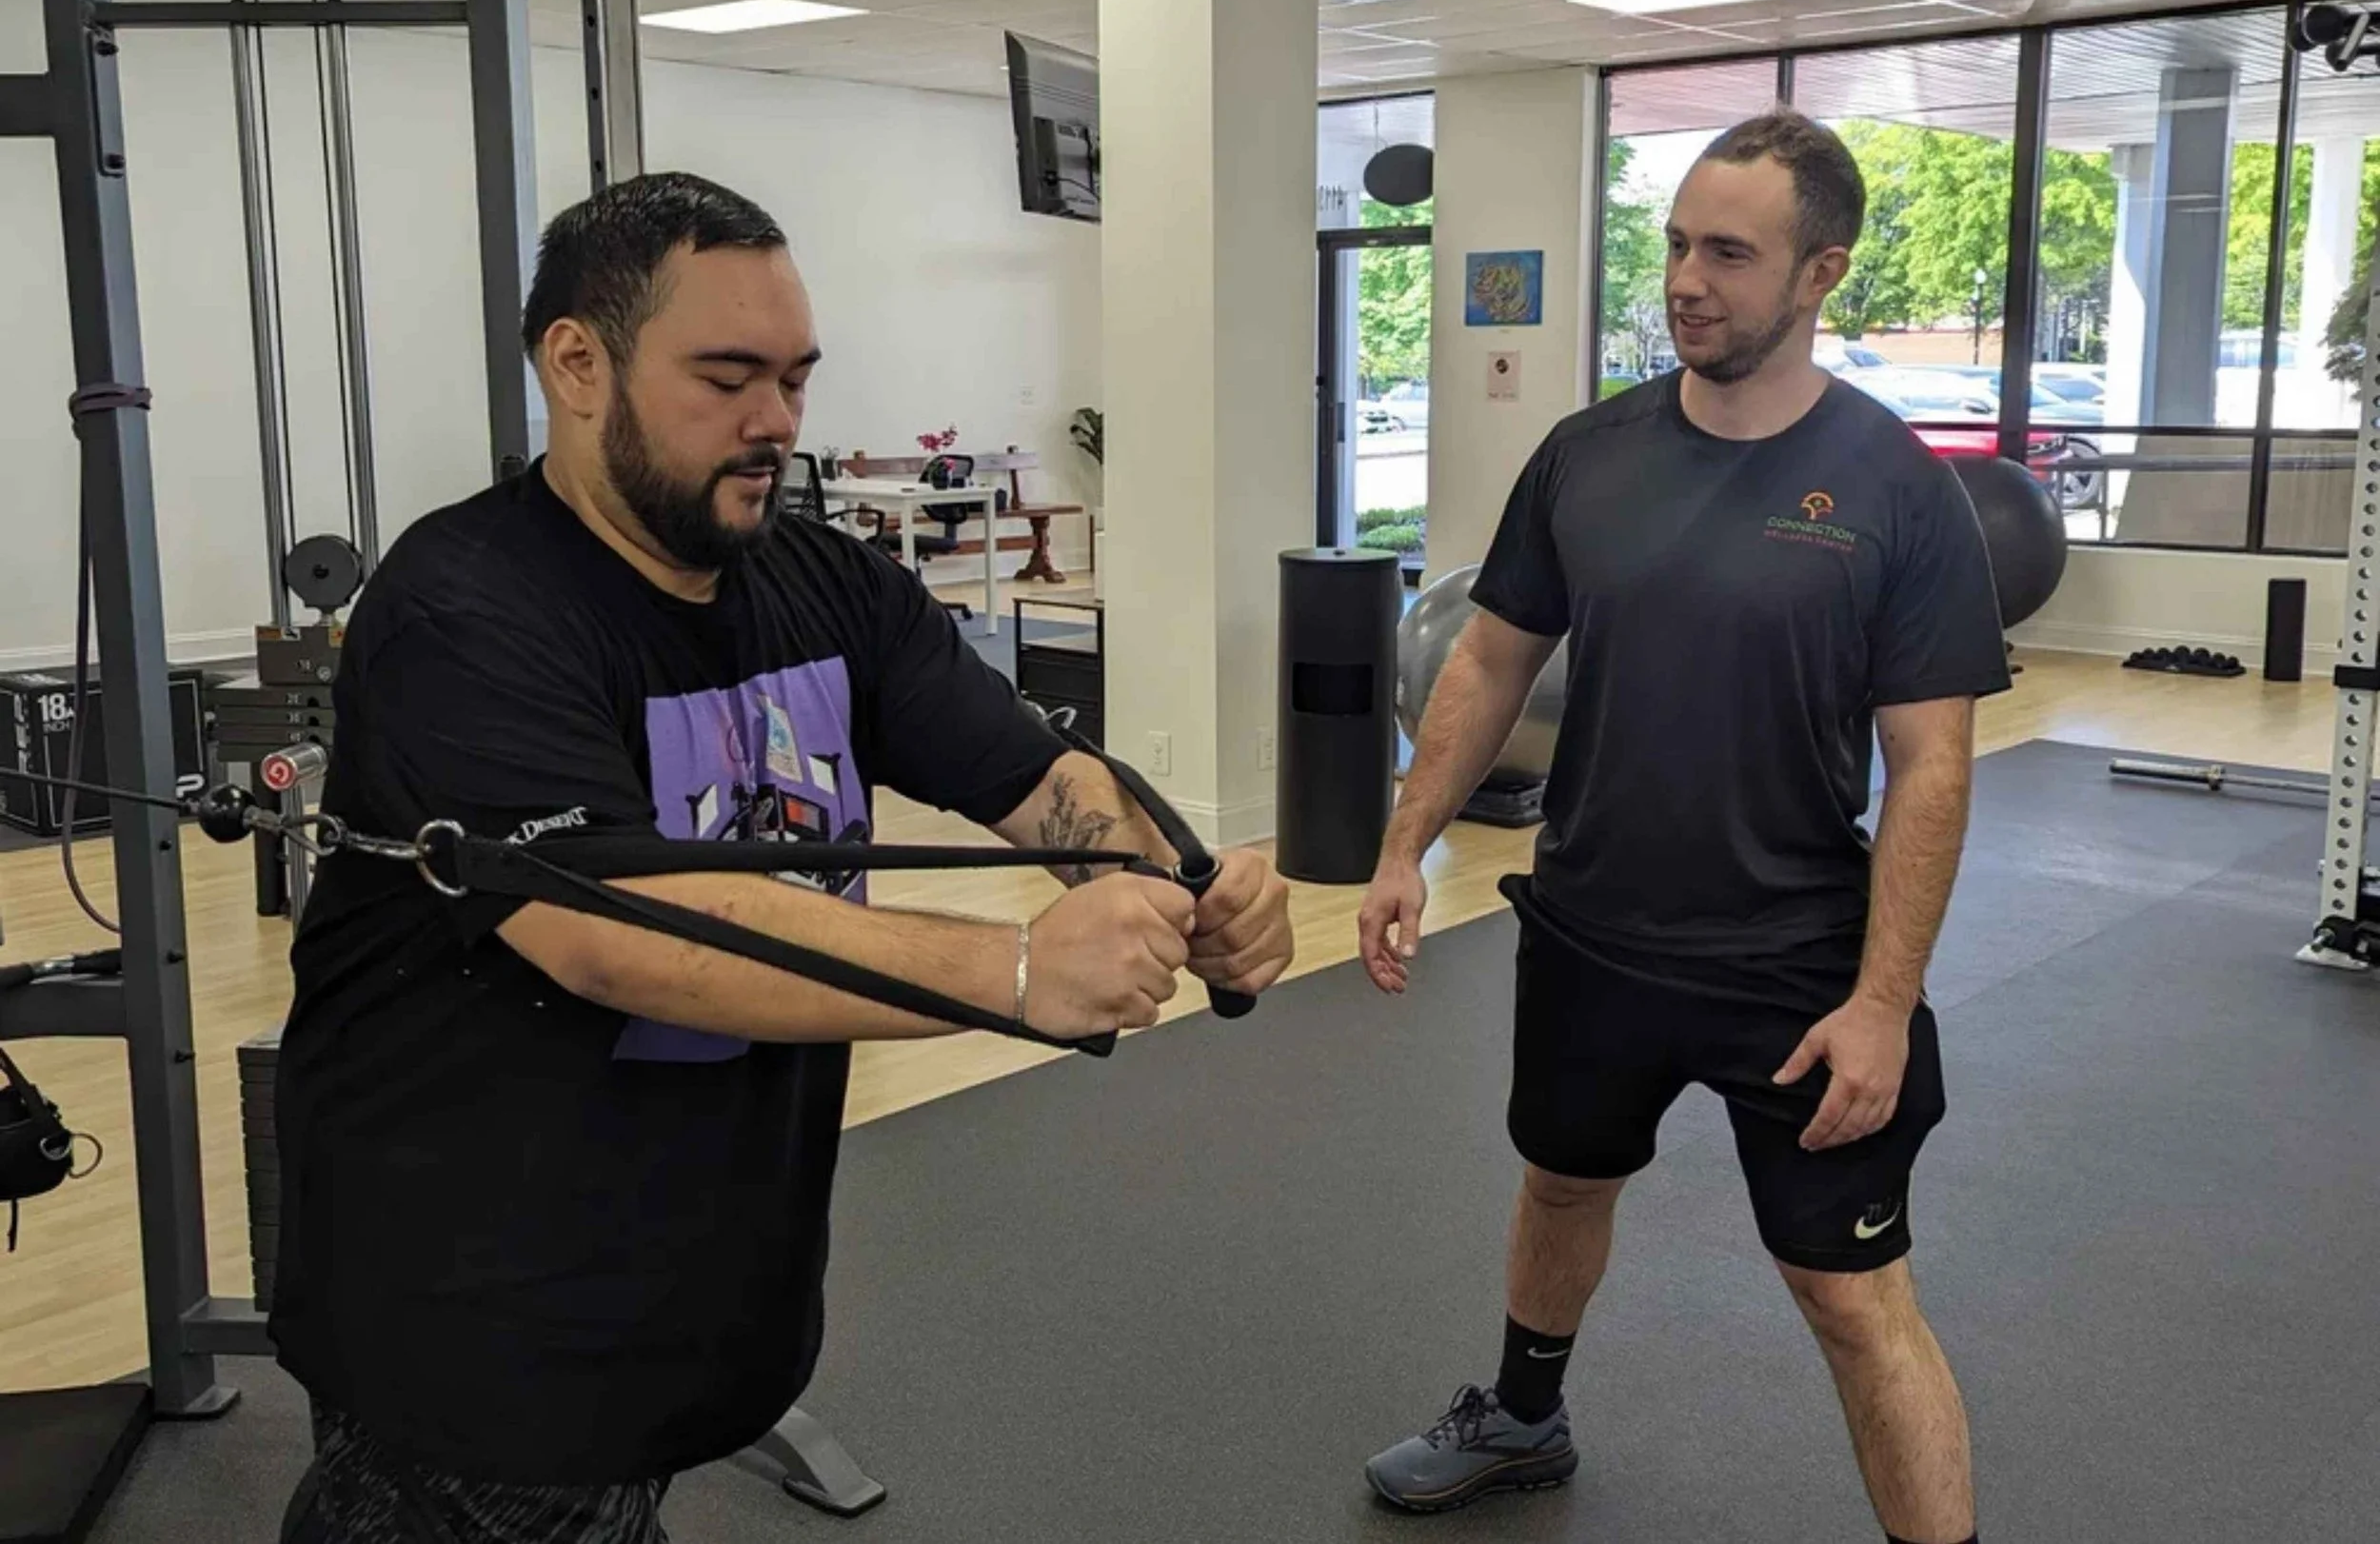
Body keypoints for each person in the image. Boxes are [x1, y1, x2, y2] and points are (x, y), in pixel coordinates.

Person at [266, 170, 1296, 1544]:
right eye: (727, 377)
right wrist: (1014, 969)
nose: (775, 420)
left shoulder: (830, 584)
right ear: (577, 364)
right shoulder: (463, 610)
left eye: (796, 378)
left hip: (705, 1276)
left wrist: (1167, 880)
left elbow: (1033, 774)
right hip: (478, 1307)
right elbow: (608, 925)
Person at [1356, 109, 2010, 1544]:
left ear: (1821, 272)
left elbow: (1932, 768)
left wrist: (1883, 1003)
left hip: (1795, 961)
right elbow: (1488, 658)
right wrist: (1405, 846)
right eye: (1675, 246)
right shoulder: (1586, 455)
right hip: (1592, 929)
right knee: (1561, 1180)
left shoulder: (1899, 491)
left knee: (1850, 1294)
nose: (1686, 282)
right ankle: (1525, 1415)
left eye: (1729, 253)